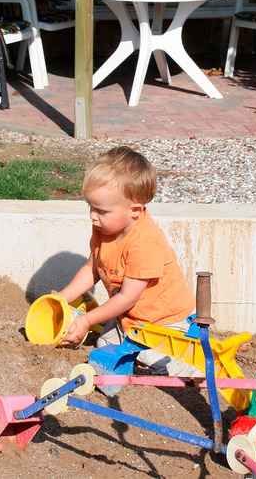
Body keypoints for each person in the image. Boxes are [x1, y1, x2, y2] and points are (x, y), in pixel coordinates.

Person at [56, 146, 197, 373]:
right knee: (104, 347)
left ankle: (194, 365)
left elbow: (127, 298)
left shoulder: (145, 244)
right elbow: (92, 267)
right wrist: (64, 297)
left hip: (166, 322)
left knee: (153, 362)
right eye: (90, 207)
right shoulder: (104, 229)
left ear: (135, 211)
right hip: (131, 318)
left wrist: (87, 321)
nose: (92, 216)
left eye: (101, 211)